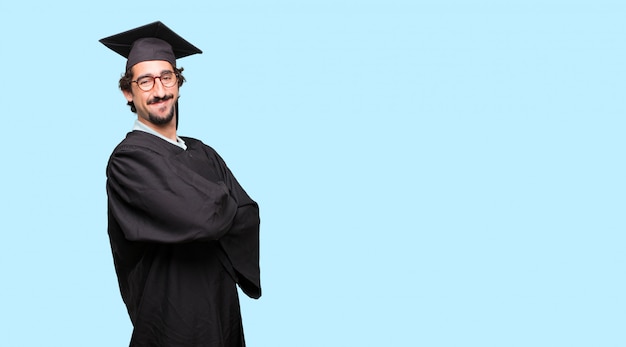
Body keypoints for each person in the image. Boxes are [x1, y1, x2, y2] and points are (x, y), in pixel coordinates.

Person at [100, 21, 261, 346]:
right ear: (128, 92)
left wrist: (213, 206)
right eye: (144, 81)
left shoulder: (203, 151)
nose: (159, 90)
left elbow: (249, 213)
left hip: (222, 308)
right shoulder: (128, 160)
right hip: (170, 315)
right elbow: (200, 218)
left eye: (166, 77)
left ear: (178, 82)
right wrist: (220, 199)